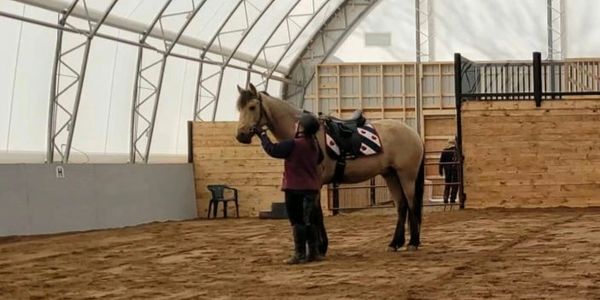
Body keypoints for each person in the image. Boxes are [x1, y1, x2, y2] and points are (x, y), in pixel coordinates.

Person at [252, 113, 323, 264]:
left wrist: (262, 135)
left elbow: (272, 150)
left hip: (294, 188)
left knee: (297, 221)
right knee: (309, 220)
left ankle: (300, 254)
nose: (295, 125)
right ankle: (314, 253)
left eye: (298, 124)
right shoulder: (314, 145)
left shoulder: (293, 144)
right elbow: (320, 159)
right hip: (311, 188)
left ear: (302, 128)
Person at [439, 138, 459, 204]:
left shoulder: (444, 151)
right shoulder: (457, 151)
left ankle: (445, 198)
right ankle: (452, 199)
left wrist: (440, 170)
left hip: (447, 170)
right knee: (455, 185)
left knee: (447, 184)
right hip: (455, 170)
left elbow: (441, 161)